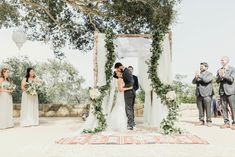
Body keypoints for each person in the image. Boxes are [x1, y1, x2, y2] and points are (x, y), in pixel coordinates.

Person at [115, 62, 135, 130]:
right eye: (116, 71)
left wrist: (129, 88)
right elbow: (121, 88)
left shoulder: (126, 72)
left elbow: (132, 82)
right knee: (128, 109)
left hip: (128, 93)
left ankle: (130, 124)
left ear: (119, 67)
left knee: (128, 109)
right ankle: (130, 124)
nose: (117, 71)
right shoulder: (122, 75)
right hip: (126, 92)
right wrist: (128, 88)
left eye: (117, 70)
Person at [216, 56, 235, 130]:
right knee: (224, 108)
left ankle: (234, 123)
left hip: (231, 91)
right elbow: (217, 81)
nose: (221, 61)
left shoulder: (232, 69)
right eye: (221, 60)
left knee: (233, 108)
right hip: (222, 91)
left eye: (222, 60)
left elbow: (231, 79)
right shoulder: (219, 70)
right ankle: (226, 123)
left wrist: (224, 75)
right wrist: (220, 77)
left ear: (227, 61)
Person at [192, 62, 213, 127]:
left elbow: (206, 80)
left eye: (202, 66)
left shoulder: (209, 74)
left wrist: (199, 76)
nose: (201, 67)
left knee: (208, 108)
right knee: (200, 108)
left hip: (207, 93)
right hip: (199, 94)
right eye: (200, 66)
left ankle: (209, 121)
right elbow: (193, 82)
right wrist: (196, 77)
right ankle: (201, 120)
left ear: (206, 67)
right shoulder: (198, 74)